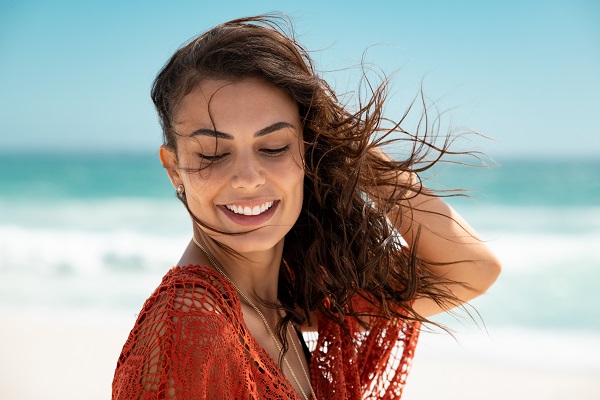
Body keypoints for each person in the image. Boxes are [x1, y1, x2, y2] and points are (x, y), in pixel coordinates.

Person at [112, 15, 501, 400]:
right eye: (213, 153)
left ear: (307, 151)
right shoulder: (191, 329)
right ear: (174, 169)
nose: (248, 177)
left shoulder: (281, 304)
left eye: (274, 146)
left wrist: (339, 144)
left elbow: (470, 268)